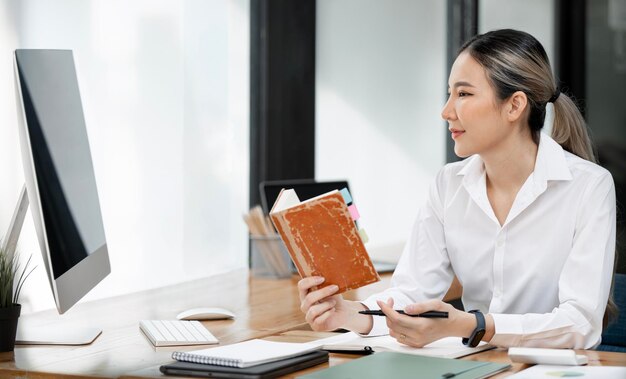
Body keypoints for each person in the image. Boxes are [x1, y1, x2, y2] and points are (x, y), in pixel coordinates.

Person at [297, 29, 616, 349]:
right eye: (449, 94)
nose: (446, 111)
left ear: (514, 105)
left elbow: (581, 323)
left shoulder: (589, 187)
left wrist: (474, 325)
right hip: (475, 364)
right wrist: (351, 314)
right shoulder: (448, 184)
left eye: (463, 94)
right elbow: (411, 293)